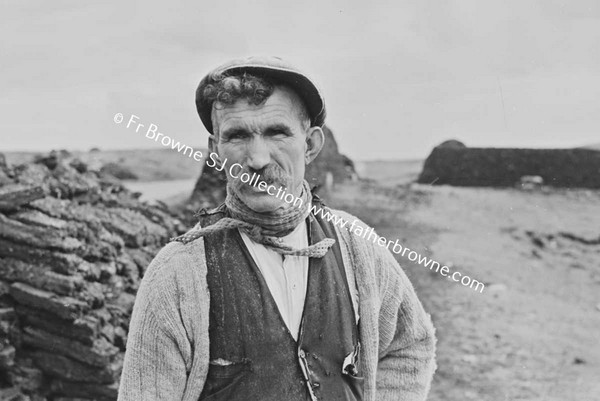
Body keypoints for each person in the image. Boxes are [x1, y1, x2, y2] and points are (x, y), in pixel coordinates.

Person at [118, 55, 436, 401]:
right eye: (237, 136)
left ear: (311, 144)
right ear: (215, 151)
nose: (257, 159)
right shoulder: (177, 273)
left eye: (277, 133)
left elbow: (409, 345)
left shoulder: (357, 247)